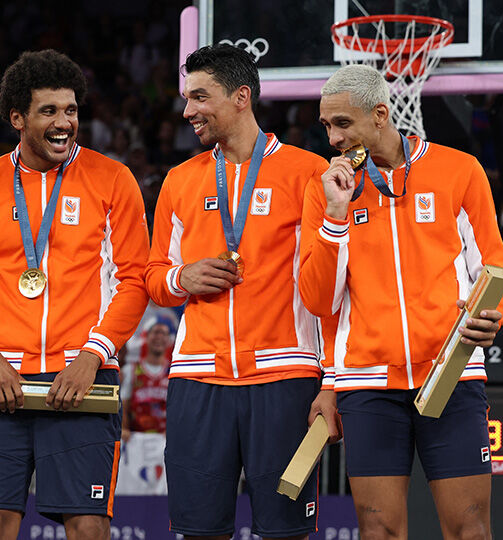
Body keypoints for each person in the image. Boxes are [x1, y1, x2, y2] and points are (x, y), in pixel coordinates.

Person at [0, 49, 149, 540]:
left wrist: (93, 356)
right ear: (18, 117)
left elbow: (133, 280)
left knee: (89, 524)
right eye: (49, 111)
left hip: (81, 379)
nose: (64, 123)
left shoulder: (113, 179)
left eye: (71, 110)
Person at [300, 64, 503, 539]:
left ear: (379, 115)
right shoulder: (328, 189)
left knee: (471, 529)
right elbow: (319, 301)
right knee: (380, 534)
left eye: (342, 124)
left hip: (450, 373)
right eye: (326, 125)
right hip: (368, 384)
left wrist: (490, 313)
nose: (332, 138)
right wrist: (336, 215)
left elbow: (494, 269)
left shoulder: (459, 169)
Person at [146, 44, 328, 539]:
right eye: (187, 99)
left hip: (284, 375)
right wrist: (182, 278)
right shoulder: (179, 181)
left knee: (285, 531)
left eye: (200, 97)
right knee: (200, 530)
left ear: (241, 96)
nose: (188, 111)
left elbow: (332, 286)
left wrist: (330, 382)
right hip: (198, 379)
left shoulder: (307, 172)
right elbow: (153, 276)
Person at [121, 318, 172, 439]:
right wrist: (123, 429)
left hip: (165, 439)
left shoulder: (174, 372)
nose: (159, 337)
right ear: (146, 337)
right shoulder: (131, 370)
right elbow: (123, 404)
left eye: (164, 334)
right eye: (155, 332)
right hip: (136, 439)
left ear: (169, 340)